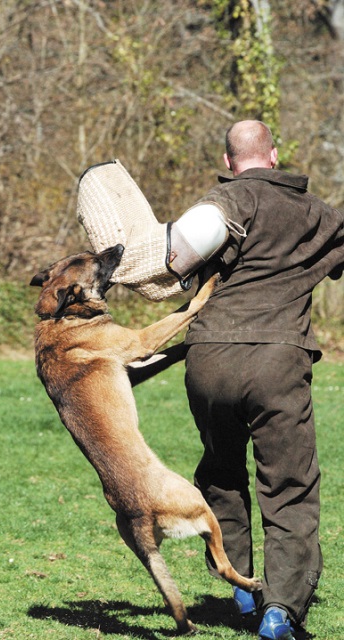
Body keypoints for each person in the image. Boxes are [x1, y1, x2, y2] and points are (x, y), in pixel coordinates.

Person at [184, 120, 344, 640]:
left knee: (221, 473)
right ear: (274, 156)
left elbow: (180, 256)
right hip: (277, 361)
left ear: (231, 162)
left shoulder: (221, 203)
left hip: (208, 358)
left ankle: (239, 586)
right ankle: (279, 610)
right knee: (289, 485)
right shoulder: (315, 213)